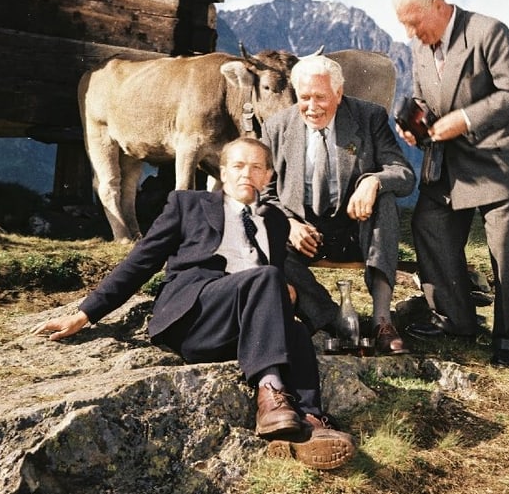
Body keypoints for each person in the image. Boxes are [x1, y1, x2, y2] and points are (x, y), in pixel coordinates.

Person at [32, 137, 356, 471]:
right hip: (195, 319)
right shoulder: (188, 204)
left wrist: (314, 310)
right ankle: (270, 391)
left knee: (297, 331)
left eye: (257, 167)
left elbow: (291, 273)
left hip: (243, 328)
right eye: (238, 165)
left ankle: (309, 424)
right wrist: (85, 314)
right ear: (224, 172)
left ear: (268, 176)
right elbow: (141, 261)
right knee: (267, 278)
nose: (247, 173)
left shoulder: (274, 221)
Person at [392, 0, 509, 368]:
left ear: (439, 4)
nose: (410, 32)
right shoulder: (422, 46)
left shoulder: (488, 32)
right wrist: (416, 124)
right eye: (404, 24)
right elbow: (426, 96)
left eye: (414, 22)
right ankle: (455, 320)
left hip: (499, 163)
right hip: (451, 164)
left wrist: (466, 119)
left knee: (504, 253)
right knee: (428, 224)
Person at [261, 55, 417, 355]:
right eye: (304, 97)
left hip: (354, 229)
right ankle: (331, 318)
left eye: (321, 97)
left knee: (383, 202)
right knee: (268, 232)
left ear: (339, 93)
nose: (311, 106)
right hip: (303, 233)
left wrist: (374, 181)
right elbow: (264, 194)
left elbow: (404, 174)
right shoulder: (276, 128)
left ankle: (382, 321)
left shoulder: (368, 117)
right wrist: (289, 224)